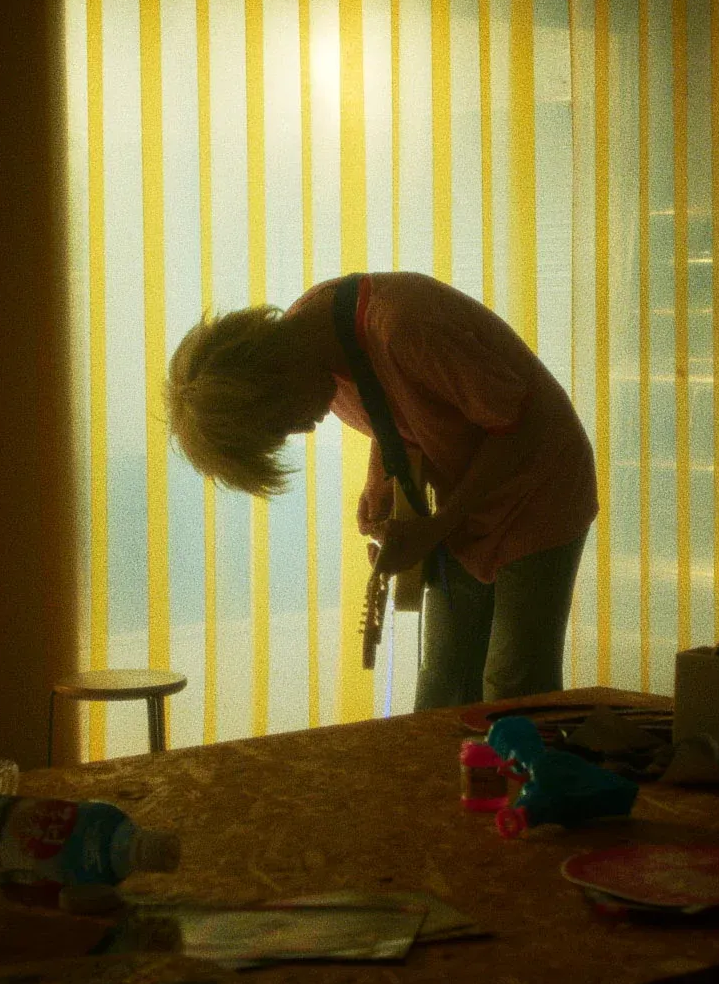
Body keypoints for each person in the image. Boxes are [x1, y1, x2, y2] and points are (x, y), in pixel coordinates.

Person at [166, 271, 597, 709]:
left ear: (275, 376)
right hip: (469, 501)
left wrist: (438, 526)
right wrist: (385, 483)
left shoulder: (403, 327)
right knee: (443, 686)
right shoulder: (311, 339)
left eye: (281, 424)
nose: (302, 430)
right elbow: (399, 403)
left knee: (514, 686)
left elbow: (517, 426)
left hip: (540, 487)